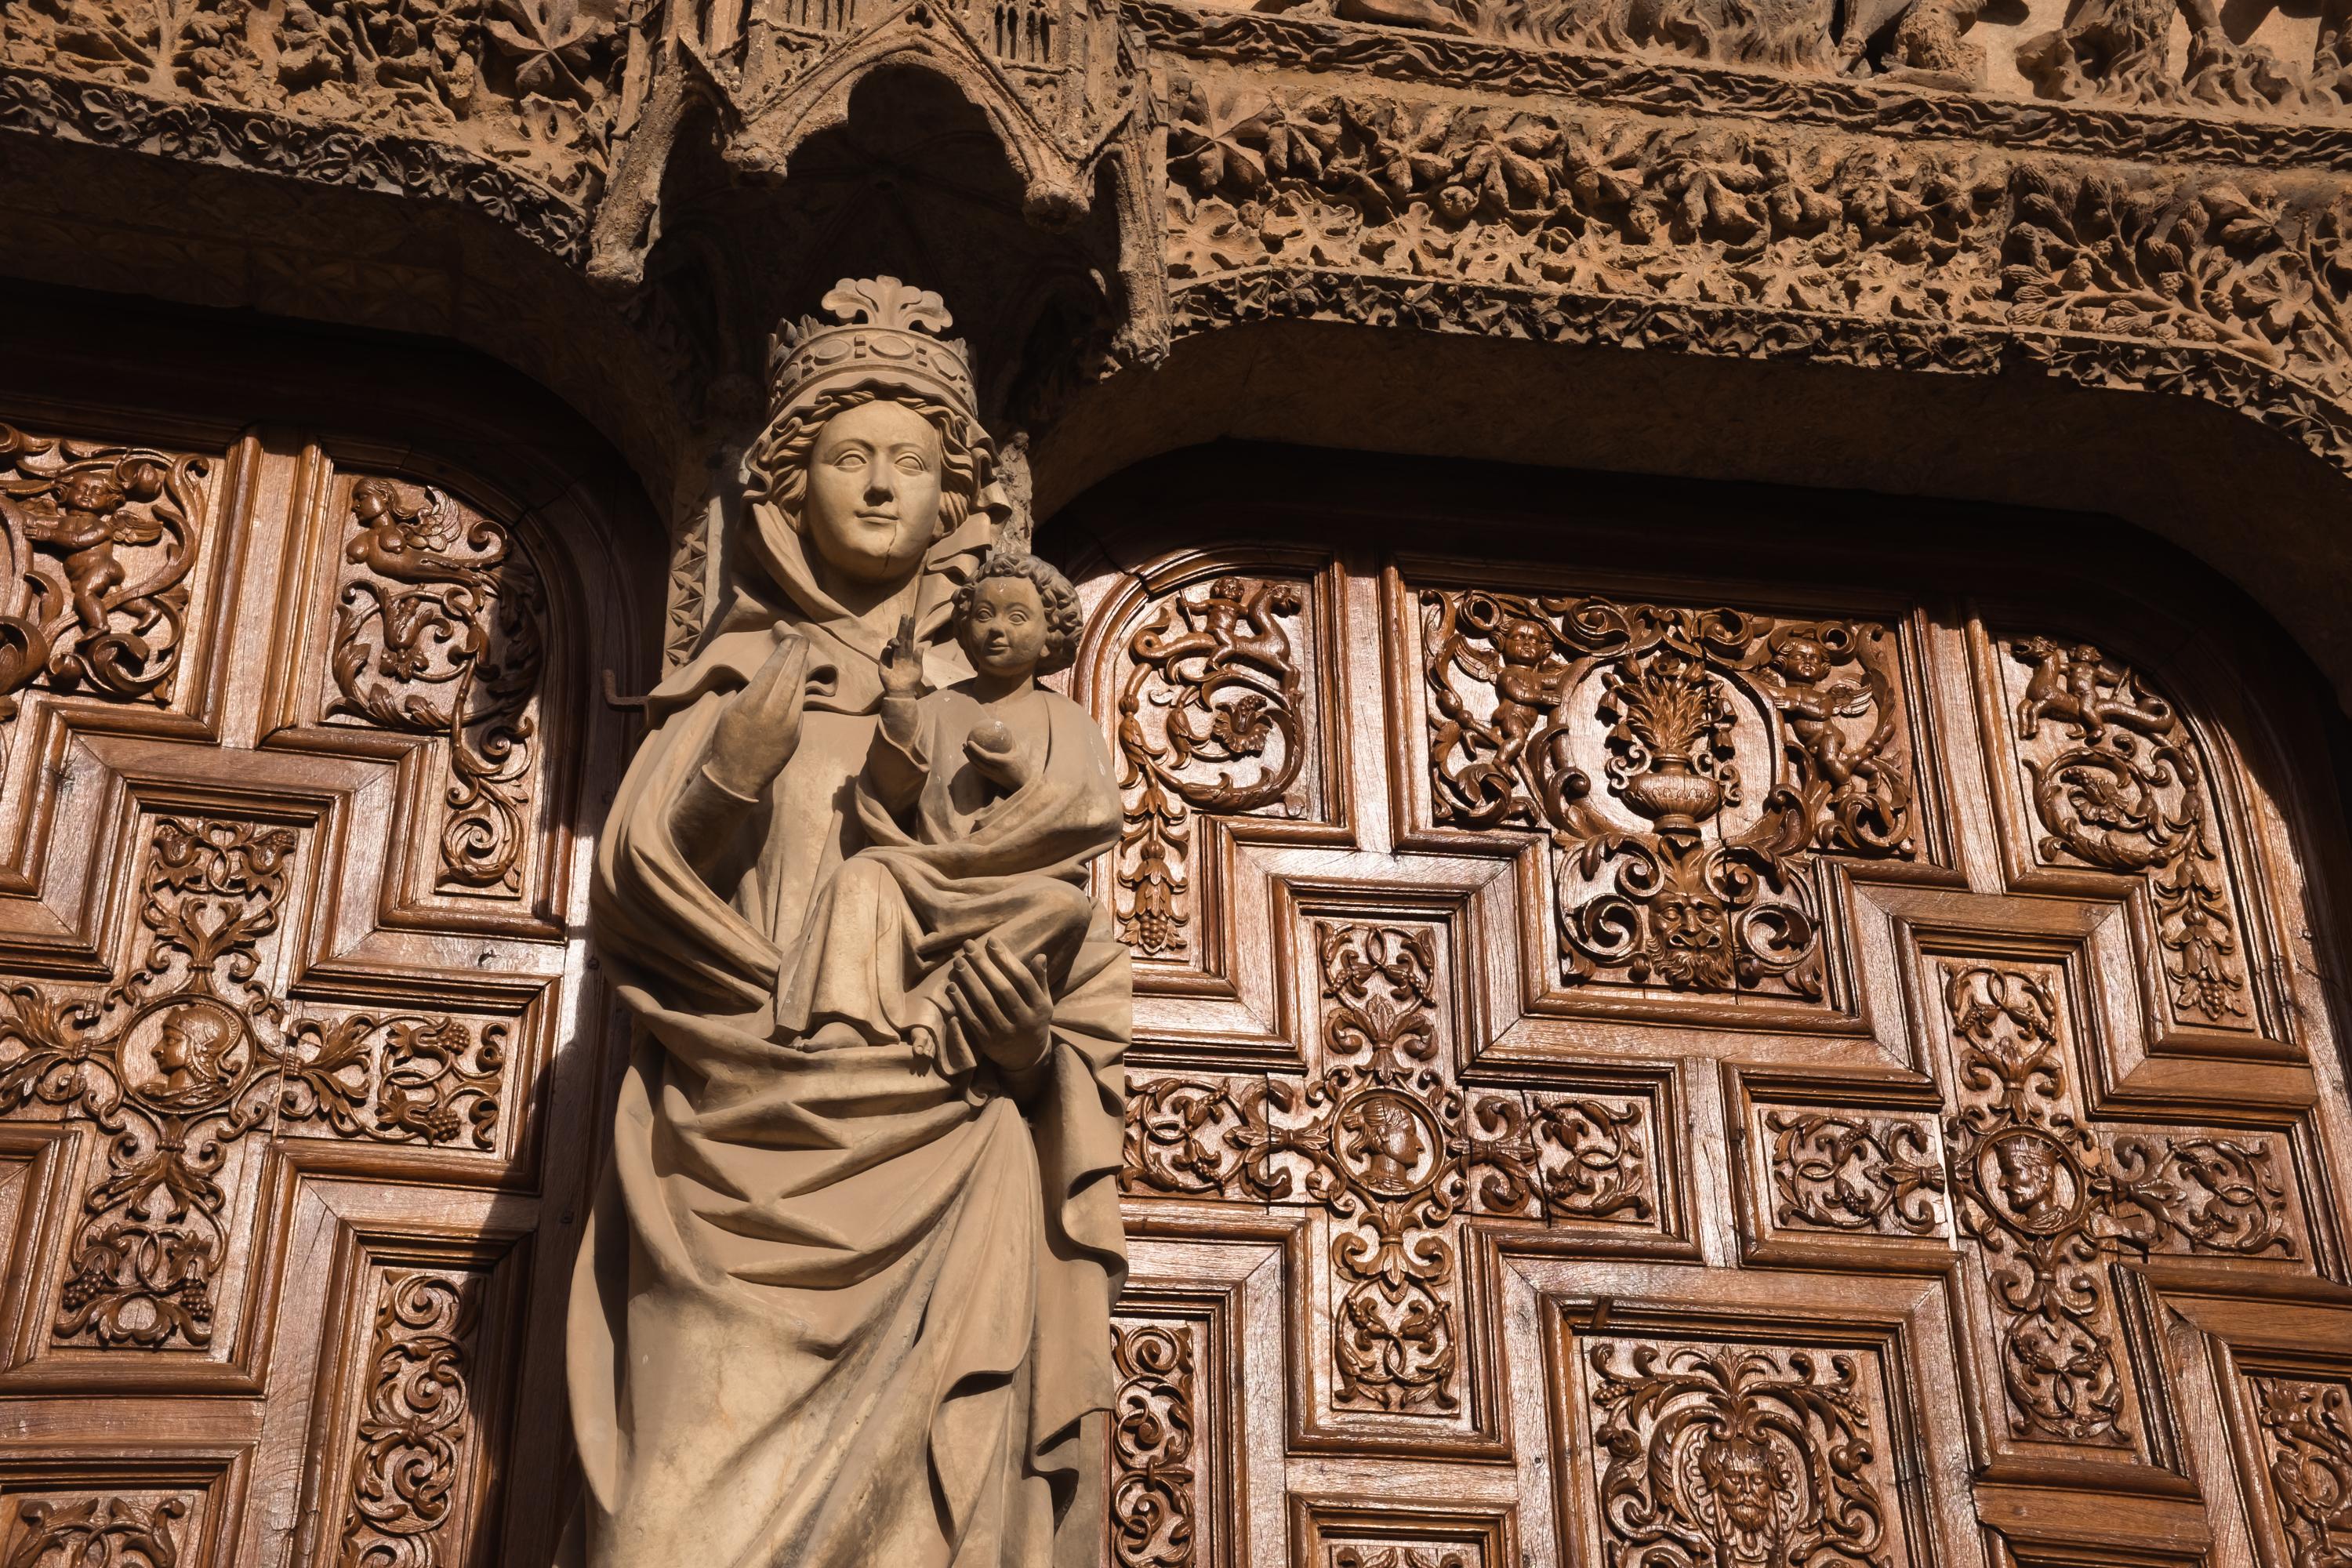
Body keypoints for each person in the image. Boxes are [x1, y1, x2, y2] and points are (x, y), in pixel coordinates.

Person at [568, 279, 1127, 1568]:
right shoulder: (734, 677)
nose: (878, 487)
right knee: (662, 1531)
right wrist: (732, 774)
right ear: (784, 485)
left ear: (957, 502)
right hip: (734, 1166)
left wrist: (1035, 1054)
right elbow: (638, 892)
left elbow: (1068, 945)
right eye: (845, 456)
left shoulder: (1001, 717)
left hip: (942, 1152)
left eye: (911, 461)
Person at [778, 550, 1114, 1080]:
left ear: (1051, 632)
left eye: (1016, 617)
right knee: (860, 875)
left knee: (1066, 906)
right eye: (983, 616)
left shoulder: (1064, 718)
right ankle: (842, 1018)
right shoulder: (938, 709)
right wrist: (900, 703)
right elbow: (888, 796)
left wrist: (1024, 778)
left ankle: (940, 1001)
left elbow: (1095, 813)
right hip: (925, 873)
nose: (996, 631)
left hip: (1010, 887)